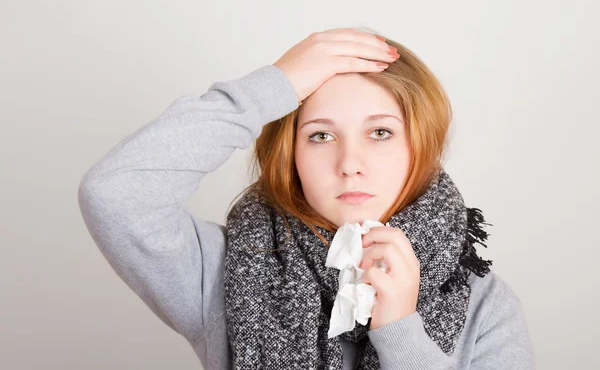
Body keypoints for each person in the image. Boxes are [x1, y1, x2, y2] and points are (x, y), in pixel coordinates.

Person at [78, 27, 536, 369]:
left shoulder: (484, 305)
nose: (350, 162)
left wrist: (400, 330)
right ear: (290, 154)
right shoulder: (231, 269)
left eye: (380, 132)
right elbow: (115, 195)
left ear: (421, 145)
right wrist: (270, 89)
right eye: (320, 136)